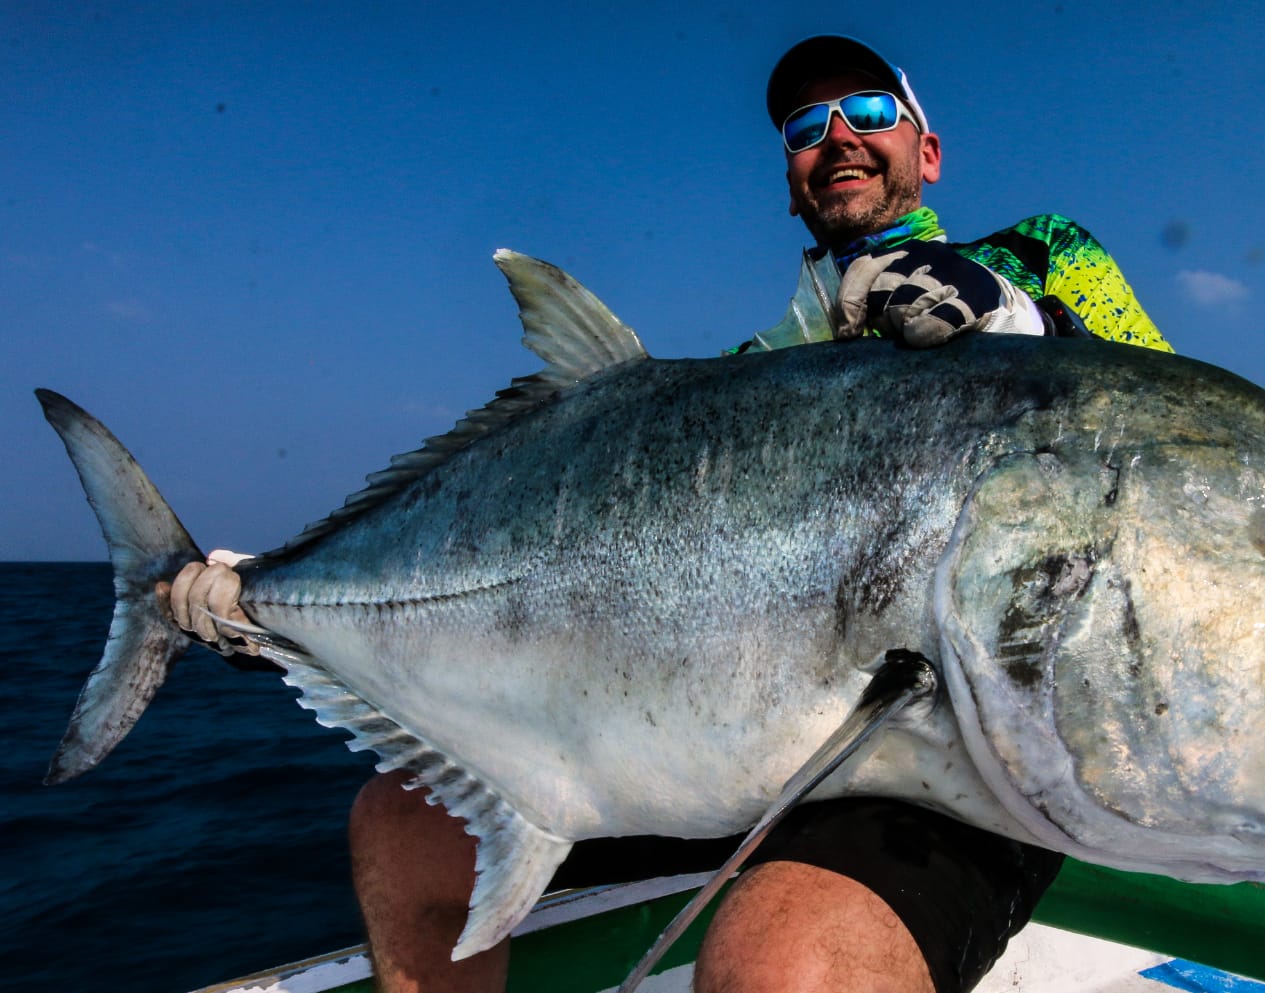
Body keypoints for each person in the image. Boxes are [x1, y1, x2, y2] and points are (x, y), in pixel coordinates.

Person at [163, 35, 1170, 993]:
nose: (836, 136)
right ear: (791, 178)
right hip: (742, 743)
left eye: (869, 110)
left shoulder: (1042, 255)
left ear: (927, 149)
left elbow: (1166, 435)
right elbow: (587, 578)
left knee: (782, 962)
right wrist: (282, 614)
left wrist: (1019, 321)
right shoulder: (746, 388)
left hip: (966, 743)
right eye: (804, 127)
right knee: (404, 822)